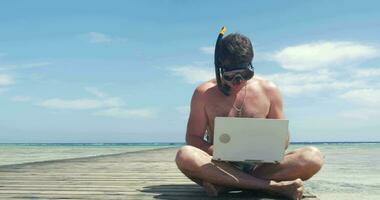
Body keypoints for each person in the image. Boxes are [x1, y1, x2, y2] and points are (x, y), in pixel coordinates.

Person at [175, 28, 324, 200]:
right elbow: (193, 138)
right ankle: (271, 187)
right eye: (231, 76)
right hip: (219, 164)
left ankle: (225, 184)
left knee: (313, 157)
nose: (238, 82)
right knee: (184, 155)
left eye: (245, 75)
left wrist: (267, 148)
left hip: (261, 167)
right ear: (220, 69)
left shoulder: (269, 90)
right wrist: (218, 150)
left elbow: (283, 140)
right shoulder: (204, 93)